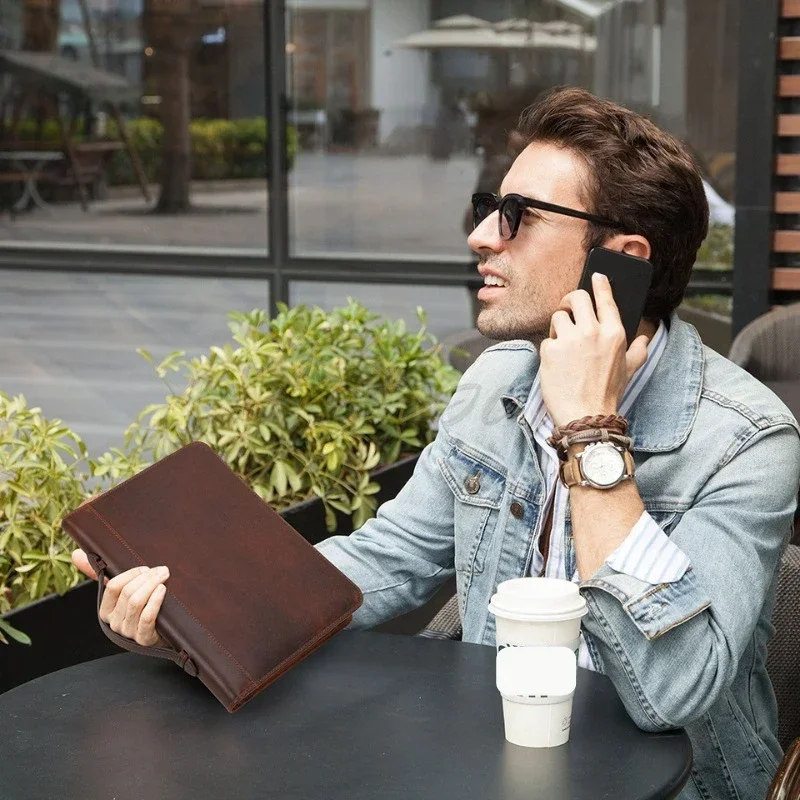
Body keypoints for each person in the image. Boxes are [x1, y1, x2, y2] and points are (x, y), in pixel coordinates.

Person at [73, 87, 800, 800]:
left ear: (620, 259)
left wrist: (589, 431)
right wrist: (186, 617)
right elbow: (375, 567)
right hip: (487, 764)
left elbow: (671, 692)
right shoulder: (499, 384)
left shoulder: (746, 441)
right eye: (491, 208)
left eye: (518, 217)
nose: (482, 235)